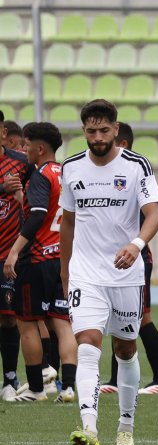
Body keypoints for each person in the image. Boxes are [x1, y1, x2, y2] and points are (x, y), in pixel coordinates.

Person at [62, 99, 158, 445]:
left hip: (126, 275)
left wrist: (136, 244)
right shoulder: (71, 168)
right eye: (91, 131)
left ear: (116, 130)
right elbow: (69, 223)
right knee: (88, 344)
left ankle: (126, 426)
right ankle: (89, 427)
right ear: (84, 131)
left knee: (125, 348)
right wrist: (66, 272)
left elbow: (154, 214)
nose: (98, 136)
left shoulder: (137, 166)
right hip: (85, 274)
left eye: (104, 130)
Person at [3, 122, 77, 403]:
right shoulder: (66, 173)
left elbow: (37, 215)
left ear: (41, 147)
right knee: (63, 323)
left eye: (28, 144)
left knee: (26, 322)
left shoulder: (41, 176)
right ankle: (68, 387)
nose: (25, 150)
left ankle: (35, 388)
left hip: (37, 260)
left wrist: (14, 251)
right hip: (63, 259)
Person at [99, 122, 158, 396]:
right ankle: (116, 380)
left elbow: (155, 213)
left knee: (141, 319)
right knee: (118, 318)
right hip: (109, 259)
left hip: (137, 258)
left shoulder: (136, 173)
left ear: (123, 143)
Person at [0, 110, 30, 401]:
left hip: (9, 253)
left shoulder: (20, 162)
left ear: (3, 133)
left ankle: (10, 379)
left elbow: (38, 191)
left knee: (9, 319)